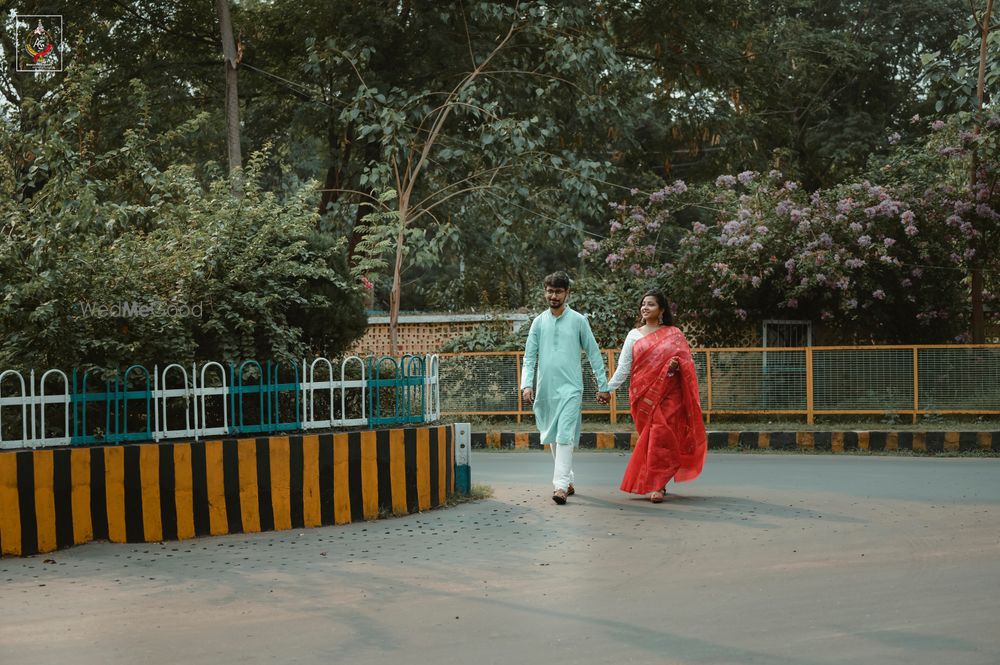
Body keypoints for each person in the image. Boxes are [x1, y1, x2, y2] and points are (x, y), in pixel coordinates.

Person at [606, 290, 706, 503]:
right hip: (643, 395)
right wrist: (608, 388)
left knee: (661, 435)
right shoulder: (633, 335)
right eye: (643, 304)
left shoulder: (674, 333)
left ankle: (658, 485)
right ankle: (657, 480)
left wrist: (676, 365)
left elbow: (687, 363)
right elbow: (624, 368)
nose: (645, 307)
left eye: (651, 304)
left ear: (661, 309)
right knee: (651, 438)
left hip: (671, 394)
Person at [520, 271, 611, 504]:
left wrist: (603, 385)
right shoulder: (538, 322)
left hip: (571, 388)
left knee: (564, 434)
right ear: (545, 292)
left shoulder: (579, 321)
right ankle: (568, 480)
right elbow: (529, 357)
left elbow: (593, 353)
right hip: (546, 389)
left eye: (558, 291)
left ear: (567, 293)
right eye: (550, 291)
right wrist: (526, 385)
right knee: (551, 434)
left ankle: (559, 487)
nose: (553, 295)